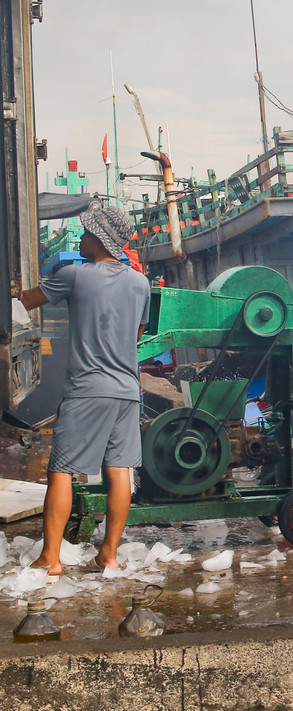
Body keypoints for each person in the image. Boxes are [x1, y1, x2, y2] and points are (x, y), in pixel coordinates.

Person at [19, 204, 151, 575]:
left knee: (61, 470)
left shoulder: (75, 276)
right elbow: (136, 335)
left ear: (99, 239)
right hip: (127, 390)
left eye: (86, 232)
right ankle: (109, 555)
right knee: (119, 470)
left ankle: (51, 557)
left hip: (86, 390)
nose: (81, 237)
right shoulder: (141, 284)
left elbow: (28, 300)